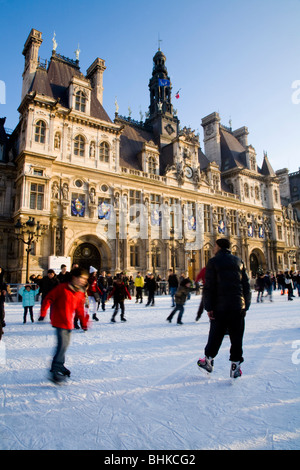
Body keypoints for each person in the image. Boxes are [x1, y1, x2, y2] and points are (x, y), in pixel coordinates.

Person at [197, 238, 251, 379]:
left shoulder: (213, 262)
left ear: (219, 247)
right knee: (237, 337)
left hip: (219, 307)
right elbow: (246, 286)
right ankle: (236, 366)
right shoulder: (239, 261)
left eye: (215, 246)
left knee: (215, 335)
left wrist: (208, 307)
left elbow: (209, 287)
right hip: (237, 306)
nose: (213, 248)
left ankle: (208, 361)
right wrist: (246, 305)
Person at [38, 267, 89, 383]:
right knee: (61, 346)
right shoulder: (62, 288)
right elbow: (48, 298)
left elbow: (80, 310)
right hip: (59, 321)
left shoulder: (80, 292)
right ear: (75, 278)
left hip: (69, 322)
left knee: (64, 346)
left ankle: (59, 365)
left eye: (85, 279)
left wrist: (84, 323)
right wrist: (43, 313)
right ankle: (55, 370)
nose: (84, 281)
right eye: (82, 278)